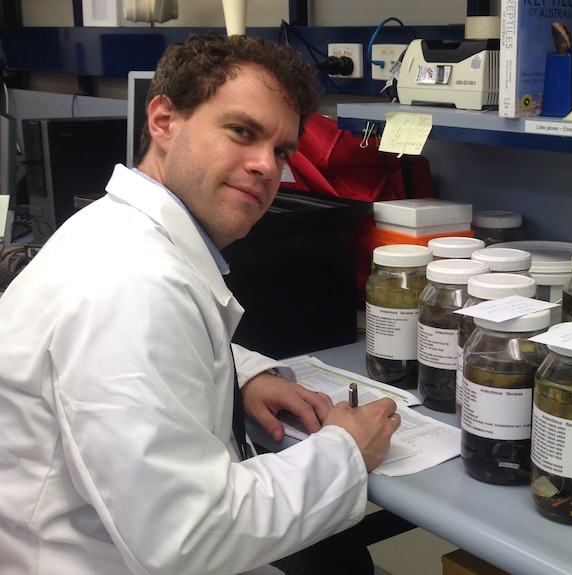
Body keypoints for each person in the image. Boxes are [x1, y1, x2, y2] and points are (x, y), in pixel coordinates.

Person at [0, 33, 401, 575]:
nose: (267, 167)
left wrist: (244, 374)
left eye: (282, 151)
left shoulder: (119, 230)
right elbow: (186, 539)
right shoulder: (131, 285)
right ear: (163, 120)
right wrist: (346, 452)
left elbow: (141, 361)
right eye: (242, 131)